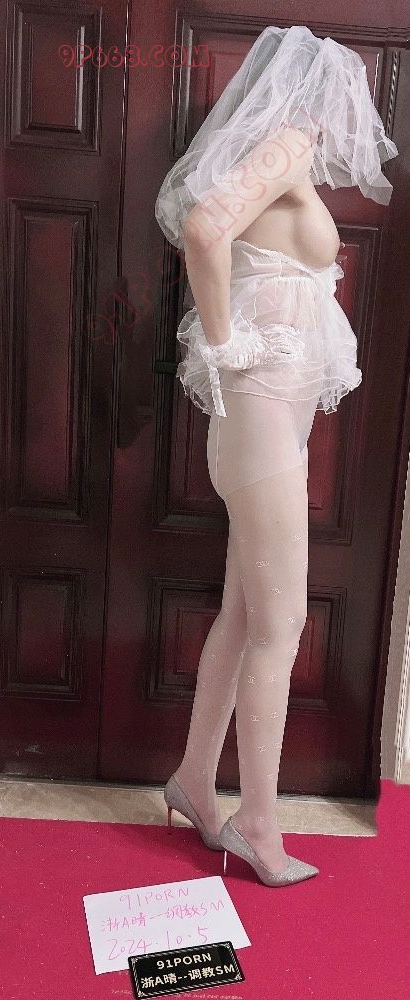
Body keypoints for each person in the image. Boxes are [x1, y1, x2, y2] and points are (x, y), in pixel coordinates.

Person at [155, 25, 398, 886]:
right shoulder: (288, 141)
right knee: (281, 624)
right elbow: (203, 228)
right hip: (259, 412)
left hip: (271, 419)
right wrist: (223, 345)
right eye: (346, 98)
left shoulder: (278, 153)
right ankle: (258, 823)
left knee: (245, 613)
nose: (353, 120)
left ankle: (194, 779)